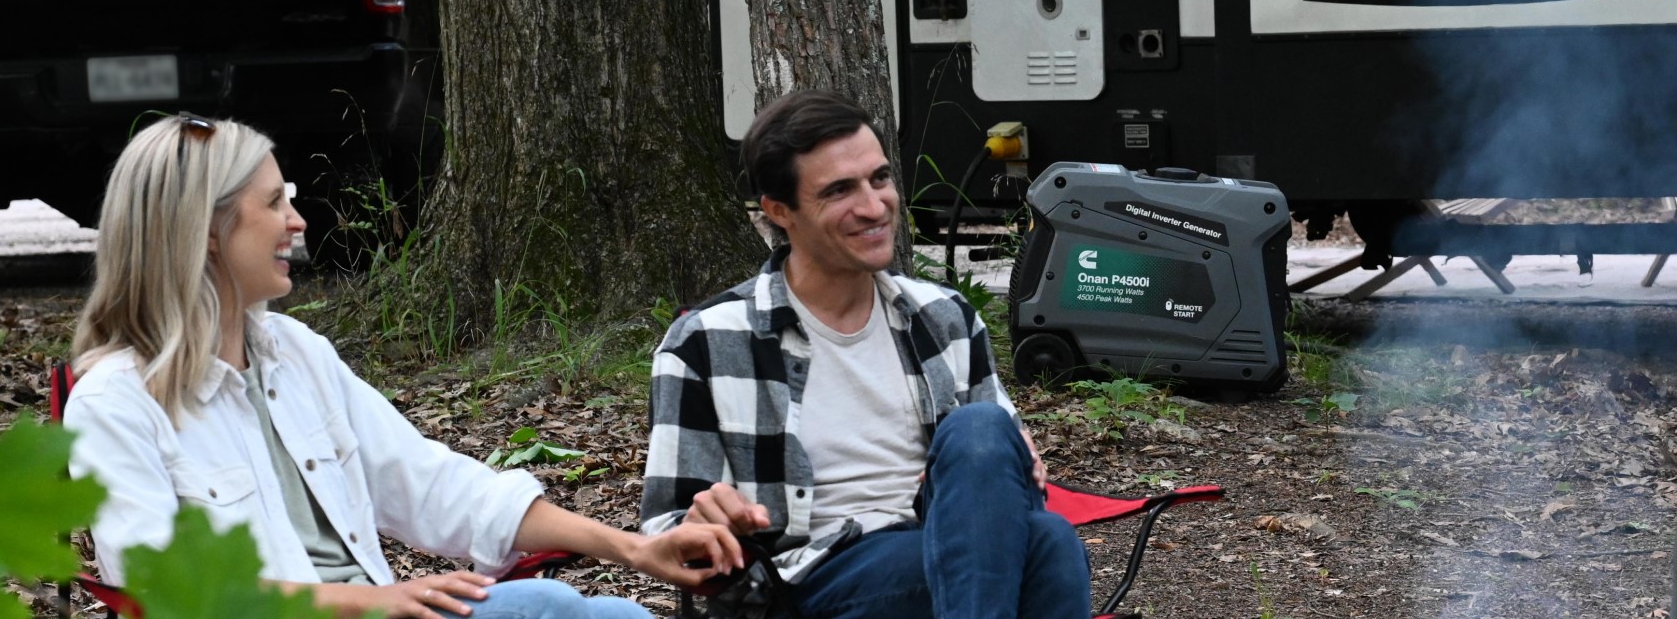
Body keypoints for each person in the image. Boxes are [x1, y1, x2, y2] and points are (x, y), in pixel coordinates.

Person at [66, 115, 744, 619]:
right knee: (549, 609)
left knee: (600, 612)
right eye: (273, 203)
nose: (297, 221)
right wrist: (375, 602)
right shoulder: (115, 403)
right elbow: (164, 588)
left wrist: (632, 549)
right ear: (206, 232)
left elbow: (436, 487)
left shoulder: (296, 355)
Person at [638, 92, 1091, 619]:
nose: (874, 207)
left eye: (880, 179)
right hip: (807, 580)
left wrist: (1003, 459)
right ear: (779, 210)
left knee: (988, 437)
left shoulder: (943, 315)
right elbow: (667, 534)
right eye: (839, 190)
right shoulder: (708, 341)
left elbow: (1011, 488)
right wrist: (707, 521)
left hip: (949, 541)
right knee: (1048, 548)